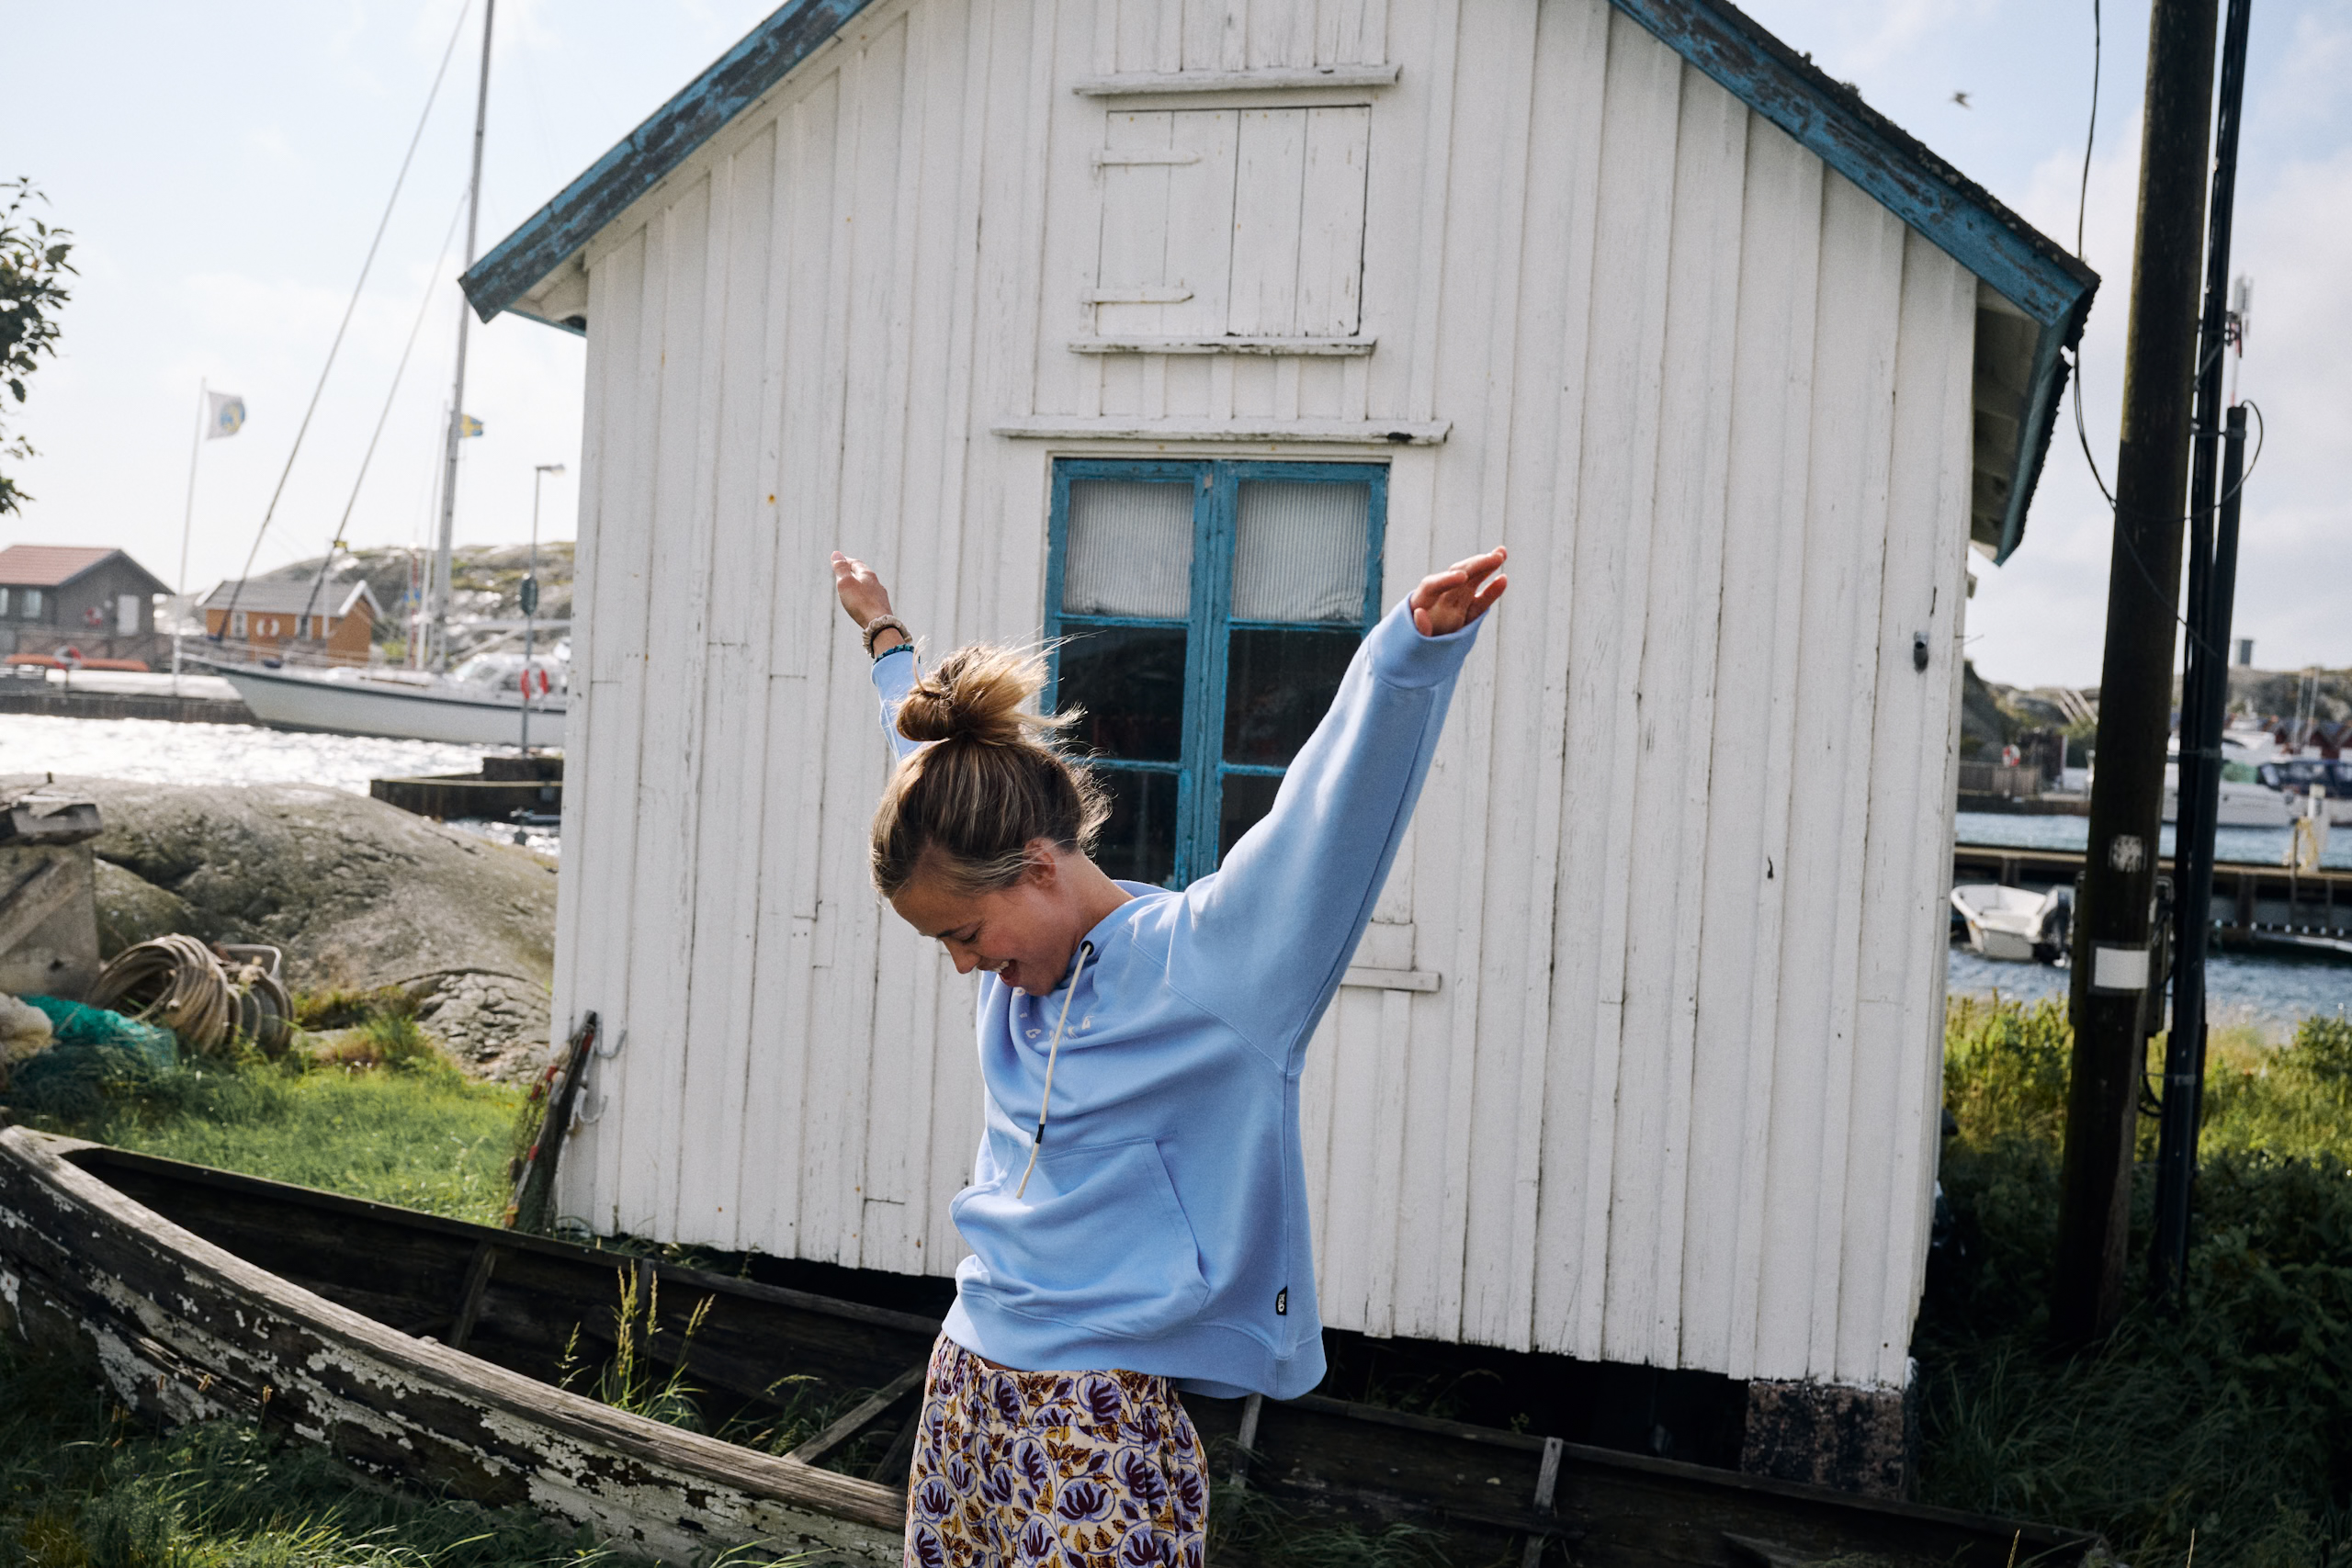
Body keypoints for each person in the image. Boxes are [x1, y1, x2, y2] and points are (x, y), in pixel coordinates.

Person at [831, 544, 1507, 1568]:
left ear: (1039, 868)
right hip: (964, 1383)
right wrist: (886, 641)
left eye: (964, 935)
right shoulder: (1006, 933)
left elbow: (1323, 830)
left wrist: (1406, 659)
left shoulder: (1212, 969)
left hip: (1095, 1420)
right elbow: (929, 775)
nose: (966, 965)